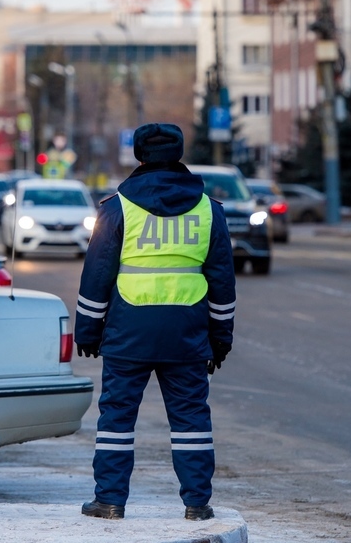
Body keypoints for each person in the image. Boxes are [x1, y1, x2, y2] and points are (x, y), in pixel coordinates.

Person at [74, 123, 236, 521]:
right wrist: (220, 340)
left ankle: (110, 501)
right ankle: (197, 504)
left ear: (139, 156)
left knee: (116, 418)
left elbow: (97, 276)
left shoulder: (117, 209)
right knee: (192, 420)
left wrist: (88, 331)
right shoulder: (207, 210)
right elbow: (222, 283)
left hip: (128, 331)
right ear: (179, 153)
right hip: (187, 332)